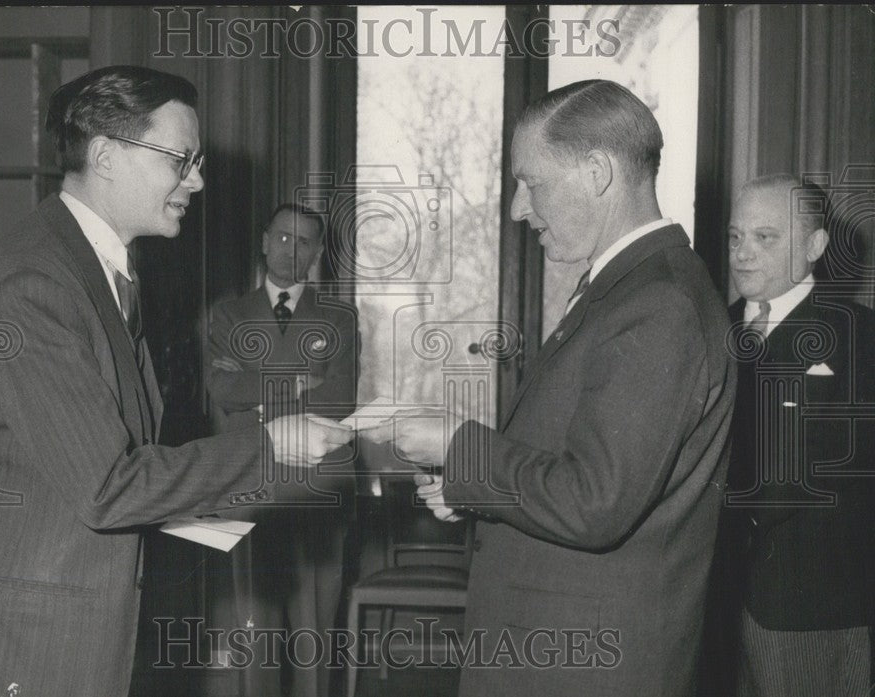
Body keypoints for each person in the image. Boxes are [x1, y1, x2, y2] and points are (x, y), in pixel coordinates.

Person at [0, 65, 352, 697]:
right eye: (180, 160)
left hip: (47, 628)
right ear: (106, 156)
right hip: (9, 649)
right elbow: (107, 485)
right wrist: (272, 445)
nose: (198, 180)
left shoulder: (91, 270)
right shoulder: (38, 285)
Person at [367, 79, 737, 696]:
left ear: (597, 172)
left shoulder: (659, 303)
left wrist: (460, 446)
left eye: (530, 182)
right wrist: (471, 486)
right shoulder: (626, 287)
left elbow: (595, 501)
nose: (516, 208)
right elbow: (582, 466)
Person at [724, 174, 875, 696]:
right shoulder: (706, 333)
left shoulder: (859, 337)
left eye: (765, 238)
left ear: (814, 246)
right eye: (735, 237)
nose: (743, 253)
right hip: (712, 605)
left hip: (815, 614)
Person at [207, 203, 359, 697]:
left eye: (306, 241)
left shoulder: (338, 317)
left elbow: (339, 397)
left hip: (318, 483)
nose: (293, 250)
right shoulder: (228, 314)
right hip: (248, 476)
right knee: (250, 617)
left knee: (314, 617)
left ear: (318, 252)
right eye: (283, 237)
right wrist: (297, 380)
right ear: (265, 240)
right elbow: (221, 390)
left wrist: (255, 390)